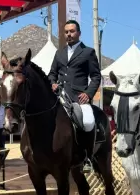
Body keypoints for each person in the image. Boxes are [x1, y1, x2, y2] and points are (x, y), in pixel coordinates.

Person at [48, 20, 102, 173]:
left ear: (78, 33)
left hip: (79, 97)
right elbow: (52, 74)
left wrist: (88, 93)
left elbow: (96, 76)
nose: (69, 34)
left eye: (71, 31)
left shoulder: (88, 52)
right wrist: (52, 83)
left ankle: (87, 158)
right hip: (59, 96)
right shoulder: (59, 53)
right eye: (66, 32)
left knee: (89, 121)